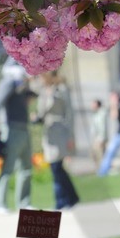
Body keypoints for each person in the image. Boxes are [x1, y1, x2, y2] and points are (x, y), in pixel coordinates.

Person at [0, 59, 35, 214]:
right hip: (11, 128)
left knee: (26, 167)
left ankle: (24, 203)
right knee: (8, 167)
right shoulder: (8, 82)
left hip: (23, 128)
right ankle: (0, 204)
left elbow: (30, 95)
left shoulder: (21, 85)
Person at [38, 70, 80, 210]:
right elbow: (41, 113)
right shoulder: (44, 91)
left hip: (61, 133)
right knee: (57, 168)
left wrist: (70, 136)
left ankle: (61, 201)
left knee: (56, 168)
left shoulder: (62, 89)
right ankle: (72, 197)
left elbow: (69, 113)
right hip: (49, 134)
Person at [88, 98, 108, 165]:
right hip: (96, 139)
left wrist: (101, 139)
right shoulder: (96, 114)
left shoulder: (101, 114)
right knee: (94, 156)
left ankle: (101, 171)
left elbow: (102, 127)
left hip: (99, 140)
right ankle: (99, 170)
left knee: (100, 156)